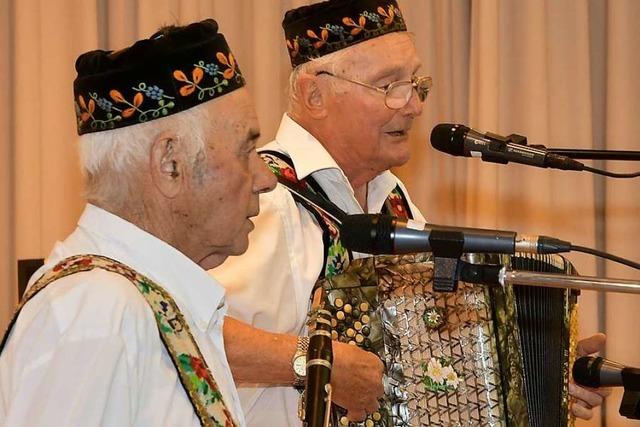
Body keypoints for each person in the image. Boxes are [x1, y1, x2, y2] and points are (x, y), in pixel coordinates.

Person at [213, 0, 609, 425]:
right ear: (316, 94)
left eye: (416, 84)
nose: (414, 105)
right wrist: (319, 362)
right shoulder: (265, 196)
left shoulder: (392, 199)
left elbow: (429, 356)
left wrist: (533, 379)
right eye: (389, 86)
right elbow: (187, 326)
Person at [0, 19, 276, 427]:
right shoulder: (97, 312)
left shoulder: (139, 302)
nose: (266, 178)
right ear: (169, 164)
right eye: (245, 150)